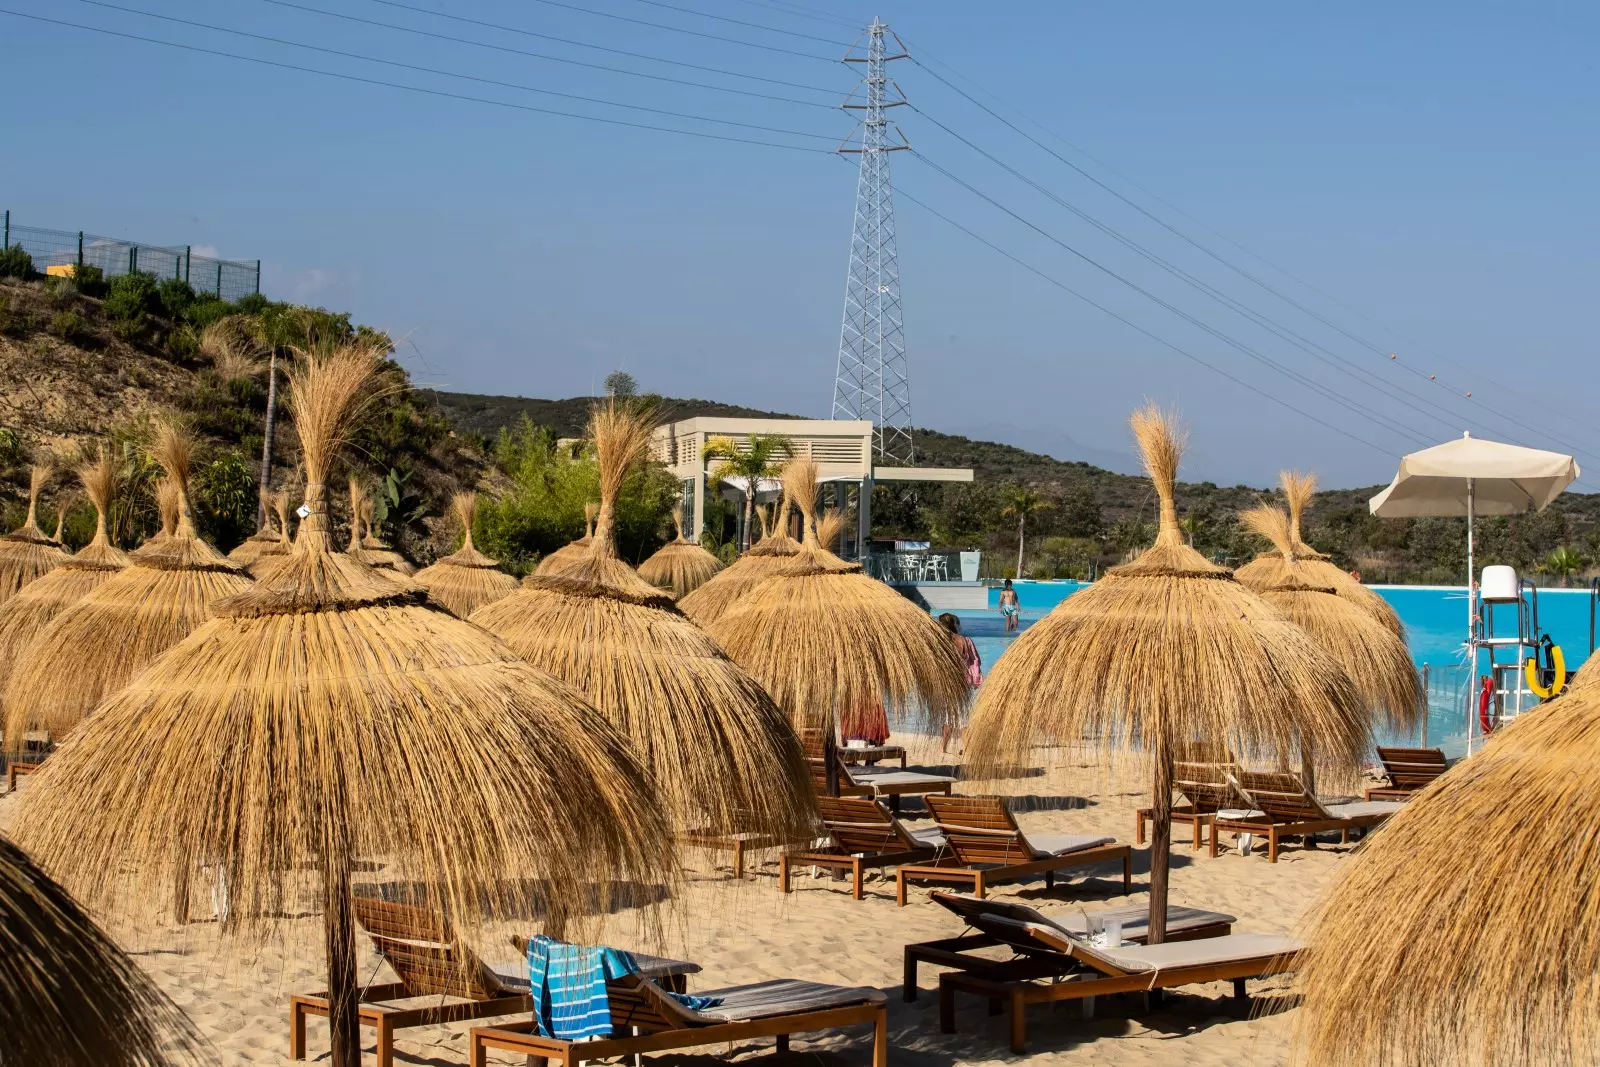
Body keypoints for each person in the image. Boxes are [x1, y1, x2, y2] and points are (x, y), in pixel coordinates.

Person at [939, 613, 981, 753]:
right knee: (963, 716)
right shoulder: (965, 640)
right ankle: (967, 747)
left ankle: (943, 748)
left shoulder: (941, 642)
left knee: (948, 716)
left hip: (948, 682)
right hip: (963, 681)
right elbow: (976, 661)